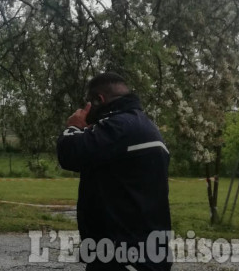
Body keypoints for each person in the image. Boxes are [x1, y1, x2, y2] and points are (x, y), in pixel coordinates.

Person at [57, 72, 172, 270]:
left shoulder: (118, 127)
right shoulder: (143, 125)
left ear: (98, 100)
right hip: (145, 251)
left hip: (124, 255)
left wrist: (73, 127)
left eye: (88, 103)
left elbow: (70, 154)